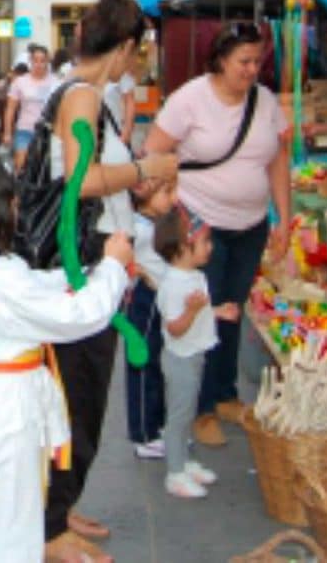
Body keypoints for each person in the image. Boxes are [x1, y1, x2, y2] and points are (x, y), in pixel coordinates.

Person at [0, 155, 135, 563]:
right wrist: (113, 267)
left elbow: (35, 286)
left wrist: (89, 273)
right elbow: (77, 317)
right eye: (10, 199)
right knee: (10, 530)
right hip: (3, 414)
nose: (17, 206)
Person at [42, 0, 178, 562]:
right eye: (137, 52)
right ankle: (49, 527)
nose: (137, 64)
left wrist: (135, 186)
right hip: (78, 266)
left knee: (84, 396)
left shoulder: (88, 97)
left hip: (96, 260)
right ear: (123, 47)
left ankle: (60, 506)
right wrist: (146, 167)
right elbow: (82, 181)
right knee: (78, 396)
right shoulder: (81, 96)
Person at [142, 21, 291, 447]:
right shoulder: (190, 99)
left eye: (257, 61)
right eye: (244, 61)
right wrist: (169, 200)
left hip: (251, 225)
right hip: (202, 223)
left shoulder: (265, 101)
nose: (252, 70)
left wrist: (283, 217)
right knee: (204, 310)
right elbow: (153, 151)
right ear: (221, 60)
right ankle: (201, 407)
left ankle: (224, 393)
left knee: (232, 309)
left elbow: (277, 161)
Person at [154, 206, 238, 498]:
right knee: (179, 416)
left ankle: (185, 461)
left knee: (188, 411)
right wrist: (191, 311)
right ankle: (175, 472)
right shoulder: (173, 285)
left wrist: (217, 312)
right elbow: (174, 328)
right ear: (182, 248)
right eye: (204, 242)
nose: (210, 247)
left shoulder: (194, 276)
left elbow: (198, 313)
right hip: (180, 359)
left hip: (194, 354)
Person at [124, 178, 177, 461]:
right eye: (167, 191)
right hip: (146, 299)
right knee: (143, 364)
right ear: (143, 193)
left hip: (159, 298)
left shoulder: (155, 224)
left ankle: (157, 425)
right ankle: (143, 434)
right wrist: (139, 275)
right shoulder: (138, 228)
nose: (173, 197)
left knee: (156, 364)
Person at [4, 45, 58, 172]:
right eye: (35, 60)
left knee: (46, 168)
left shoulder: (56, 82)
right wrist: (7, 132)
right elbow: (10, 108)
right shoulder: (20, 82)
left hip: (49, 131)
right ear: (30, 61)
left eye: (42, 61)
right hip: (25, 129)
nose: (39, 64)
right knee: (21, 164)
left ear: (47, 62)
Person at [104, 69, 138, 148]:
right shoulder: (74, 69)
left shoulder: (119, 70)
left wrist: (127, 131)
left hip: (113, 132)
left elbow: (129, 100)